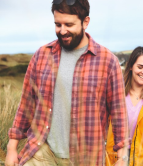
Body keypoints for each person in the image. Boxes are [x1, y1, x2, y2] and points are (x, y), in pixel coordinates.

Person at [5, 0, 128, 165]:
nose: (62, 31)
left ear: (86, 22)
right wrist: (12, 148)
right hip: (42, 151)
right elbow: (26, 105)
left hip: (85, 157)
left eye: (69, 24)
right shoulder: (41, 56)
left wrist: (121, 158)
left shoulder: (108, 62)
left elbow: (119, 113)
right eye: (57, 24)